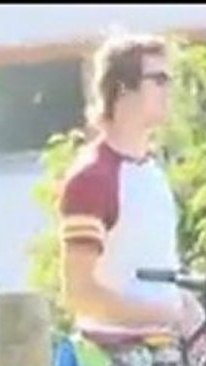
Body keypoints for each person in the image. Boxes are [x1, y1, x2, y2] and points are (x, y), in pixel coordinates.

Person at [60, 32, 204, 338]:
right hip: (112, 363)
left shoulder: (152, 173)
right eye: (159, 80)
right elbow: (80, 293)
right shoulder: (92, 177)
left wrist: (185, 308)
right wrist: (165, 314)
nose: (170, 91)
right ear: (123, 89)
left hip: (165, 358)